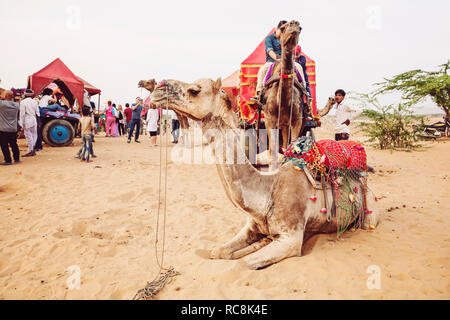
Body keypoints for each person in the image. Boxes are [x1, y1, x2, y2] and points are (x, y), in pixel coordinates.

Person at [255, 20, 307, 97]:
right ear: (278, 29)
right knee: (262, 70)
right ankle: (259, 93)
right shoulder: (269, 38)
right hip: (272, 61)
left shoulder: (285, 37)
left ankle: (304, 91)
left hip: (286, 61)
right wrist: (277, 58)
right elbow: (270, 51)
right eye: (283, 30)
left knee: (298, 67)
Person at [0, 90, 20, 165]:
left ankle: (8, 160)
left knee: (4, 145)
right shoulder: (17, 105)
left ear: (5, 96)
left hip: (3, 129)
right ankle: (17, 159)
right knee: (14, 144)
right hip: (13, 128)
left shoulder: (2, 104)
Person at [19, 89, 40, 157]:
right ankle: (32, 149)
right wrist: (38, 123)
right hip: (34, 119)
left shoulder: (23, 102)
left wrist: (21, 124)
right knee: (34, 135)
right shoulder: (35, 102)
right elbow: (38, 113)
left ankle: (30, 151)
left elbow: (22, 114)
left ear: (25, 95)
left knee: (28, 136)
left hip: (27, 120)